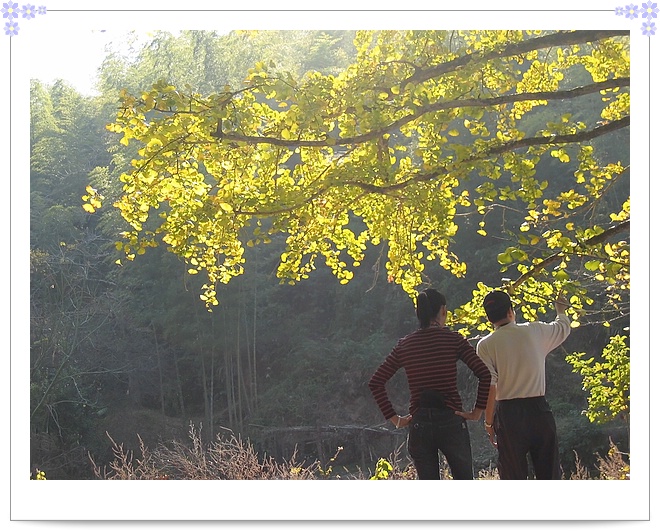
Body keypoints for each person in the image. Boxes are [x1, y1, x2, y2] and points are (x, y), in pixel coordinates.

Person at [368, 288, 491, 480]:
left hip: (420, 423)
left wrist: (395, 419)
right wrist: (477, 412)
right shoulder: (454, 340)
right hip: (451, 420)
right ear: (443, 310)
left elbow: (376, 382)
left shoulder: (405, 345)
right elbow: (484, 374)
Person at [476, 290, 571, 480]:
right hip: (538, 410)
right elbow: (562, 327)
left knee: (513, 476)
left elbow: (490, 386)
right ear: (511, 311)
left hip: (509, 415)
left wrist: (489, 422)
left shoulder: (485, 345)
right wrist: (561, 310)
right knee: (549, 474)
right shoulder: (535, 331)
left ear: (489, 319)